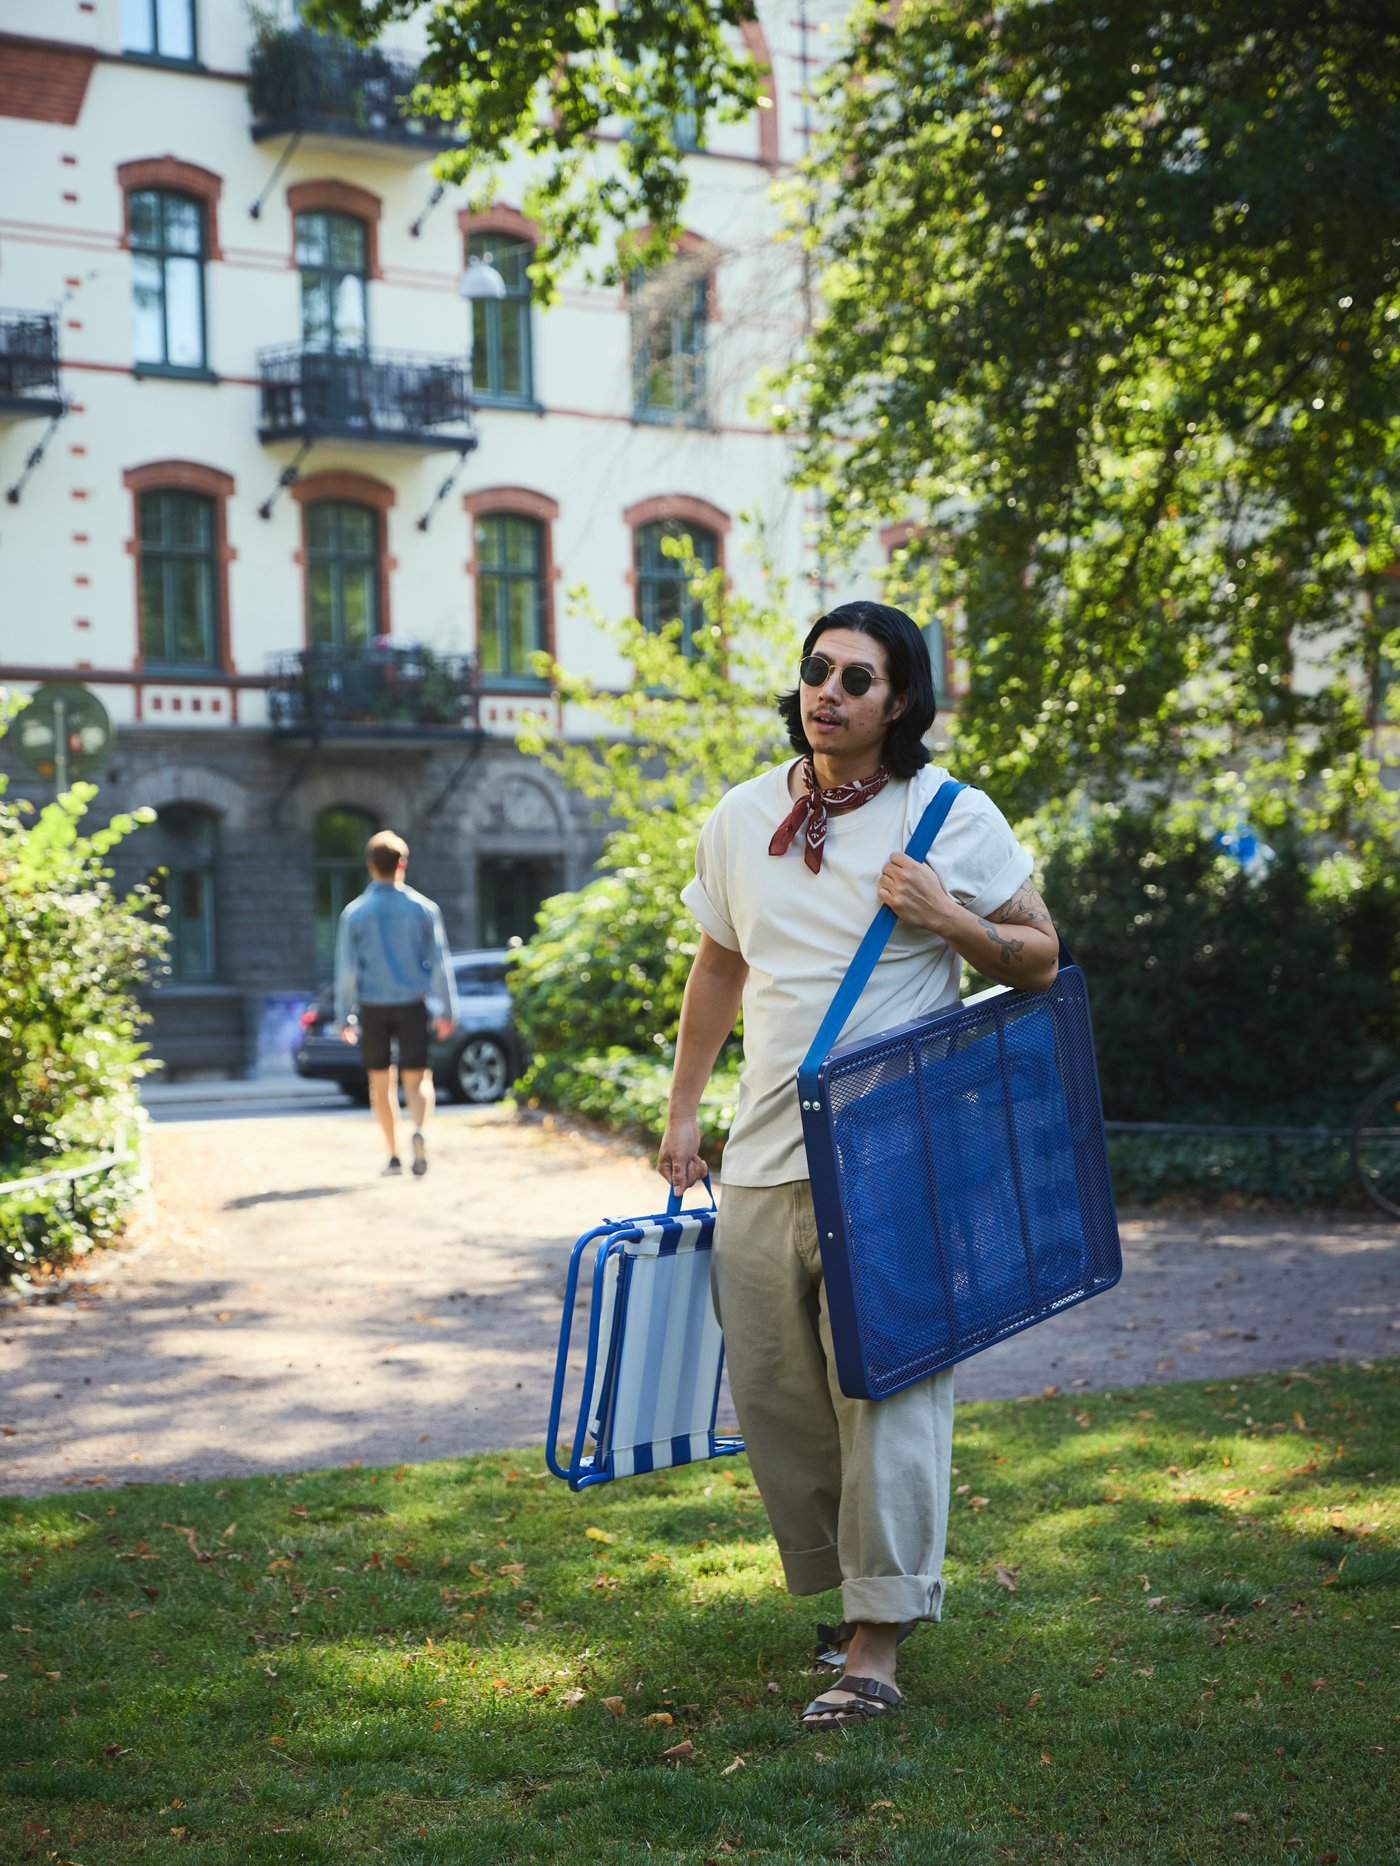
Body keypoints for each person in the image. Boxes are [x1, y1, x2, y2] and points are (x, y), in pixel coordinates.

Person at [656, 600, 1061, 1730]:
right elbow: (716, 972)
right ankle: (845, 1599)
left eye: (856, 678)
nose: (826, 692)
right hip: (762, 1155)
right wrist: (684, 1112)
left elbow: (1039, 957)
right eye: (816, 671)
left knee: (884, 1392)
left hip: (895, 1154)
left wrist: (950, 917)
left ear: (898, 703)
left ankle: (876, 1640)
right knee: (779, 1395)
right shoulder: (741, 819)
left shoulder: (947, 816)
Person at [334, 830, 458, 1178]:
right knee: (417, 1079)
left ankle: (392, 1156)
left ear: (370, 865)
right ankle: (418, 1129)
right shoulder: (423, 908)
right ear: (402, 864)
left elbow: (346, 970)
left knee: (380, 1083)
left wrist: (344, 1015)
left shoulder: (354, 913)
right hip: (412, 1005)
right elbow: (439, 962)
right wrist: (447, 1010)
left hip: (373, 1007)